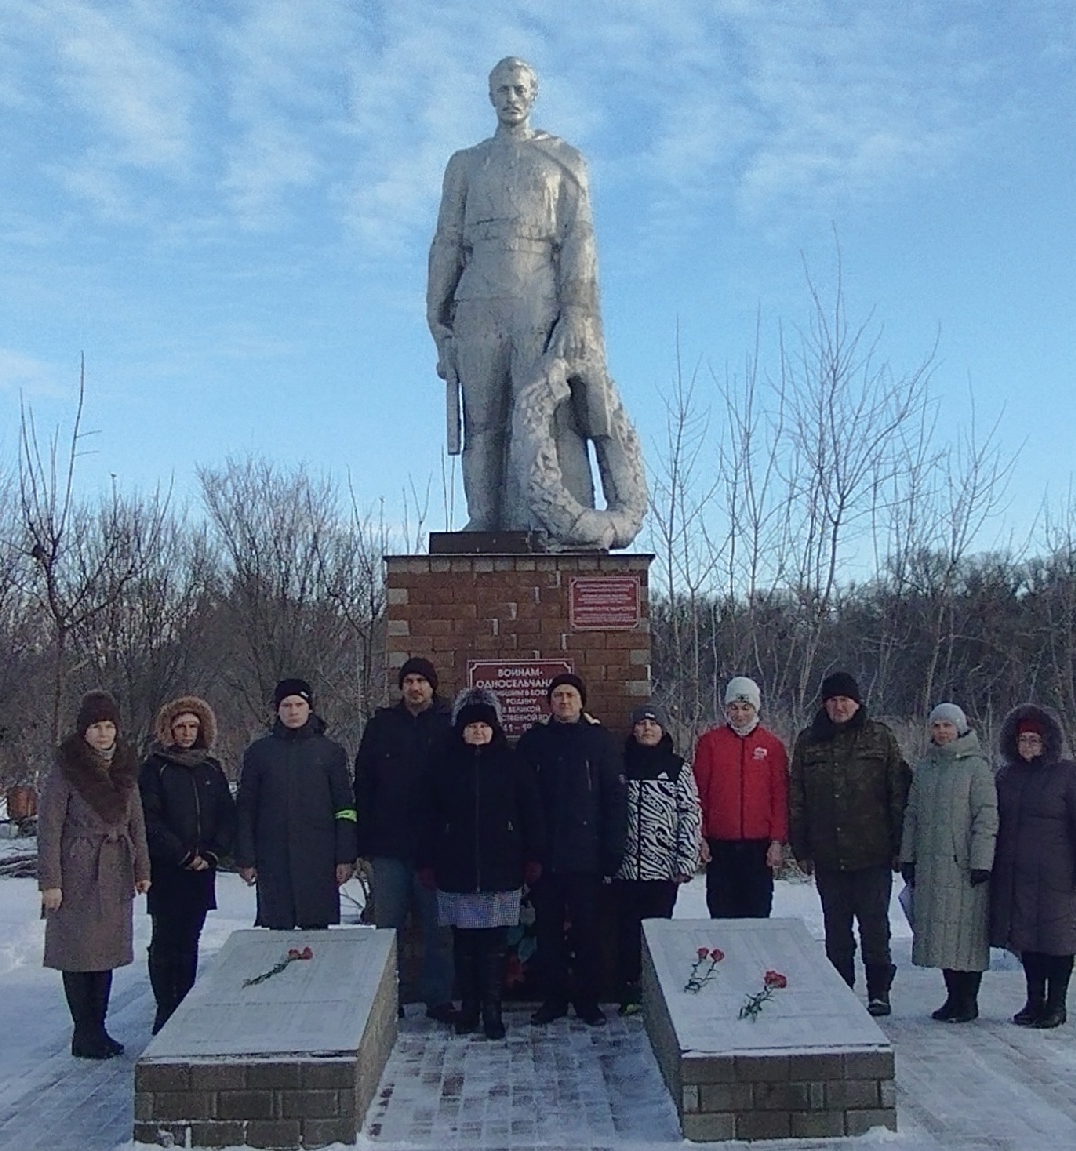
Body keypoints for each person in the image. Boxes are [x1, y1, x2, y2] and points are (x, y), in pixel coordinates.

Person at [425, 56, 645, 549]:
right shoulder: (465, 164)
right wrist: (436, 317)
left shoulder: (564, 160)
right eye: (502, 89)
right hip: (477, 303)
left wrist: (577, 311)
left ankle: (552, 524)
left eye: (519, 89)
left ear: (534, 93)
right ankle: (482, 522)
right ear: (490, 95)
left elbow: (579, 241)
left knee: (550, 420)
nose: (511, 98)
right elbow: (446, 240)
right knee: (483, 423)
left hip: (539, 305)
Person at [789, 671, 911, 1016]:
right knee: (836, 930)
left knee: (875, 928)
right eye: (832, 700)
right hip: (828, 853)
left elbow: (897, 793)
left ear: (857, 703)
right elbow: (796, 795)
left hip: (873, 851)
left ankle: (879, 991)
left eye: (845, 700)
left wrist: (900, 846)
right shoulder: (809, 741)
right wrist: (801, 848)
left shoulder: (880, 737)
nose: (838, 706)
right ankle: (840, 990)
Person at [38, 690, 151, 1059]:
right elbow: (50, 827)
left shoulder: (124, 766)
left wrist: (142, 869)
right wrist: (51, 882)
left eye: (109, 726)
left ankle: (99, 1028)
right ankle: (83, 1031)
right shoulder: (66, 769)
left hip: (115, 870)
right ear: (83, 731)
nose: (103, 734)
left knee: (105, 953)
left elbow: (137, 821)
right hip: (77, 871)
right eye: (96, 727)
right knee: (77, 953)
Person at [428, 688, 547, 1040]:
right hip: (456, 868)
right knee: (464, 946)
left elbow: (532, 814)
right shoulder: (444, 766)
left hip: (501, 867)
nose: (478, 732)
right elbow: (426, 816)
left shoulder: (512, 765)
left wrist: (533, 857)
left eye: (484, 726)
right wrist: (428, 861)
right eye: (471, 727)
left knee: (495, 946)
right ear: (460, 730)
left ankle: (493, 1011)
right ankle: (469, 1008)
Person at [514, 672, 627, 1026]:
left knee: (587, 932)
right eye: (558, 695)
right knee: (547, 934)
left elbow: (615, 799)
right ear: (549, 702)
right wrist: (527, 851)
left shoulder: (599, 741)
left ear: (581, 702)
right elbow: (520, 801)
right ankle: (553, 1000)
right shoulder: (534, 742)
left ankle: (588, 1001)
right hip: (544, 856)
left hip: (587, 856)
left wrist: (612, 849)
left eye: (570, 696)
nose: (564, 702)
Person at [354, 657, 459, 1023]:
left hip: (436, 849)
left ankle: (439, 999)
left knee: (439, 930)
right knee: (388, 929)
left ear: (433, 686)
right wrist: (363, 841)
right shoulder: (382, 726)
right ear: (401, 687)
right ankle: (388, 999)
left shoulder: (448, 726)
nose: (415, 687)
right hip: (388, 846)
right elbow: (363, 784)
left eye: (421, 681)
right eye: (409, 681)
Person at [989, 704, 1076, 1029]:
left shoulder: (1070, 776)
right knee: (1028, 944)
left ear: (1047, 742)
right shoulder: (1006, 777)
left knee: (1057, 943)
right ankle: (1033, 1001)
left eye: (1034, 740)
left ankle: (1057, 1005)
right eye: (1023, 739)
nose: (1028, 746)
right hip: (1018, 877)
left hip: (1058, 876)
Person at [897, 703, 998, 1023]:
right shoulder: (926, 767)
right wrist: (908, 857)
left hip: (964, 867)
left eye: (947, 726)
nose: (942, 731)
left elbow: (986, 817)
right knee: (940, 936)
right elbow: (912, 815)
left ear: (960, 728)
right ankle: (952, 998)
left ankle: (968, 1000)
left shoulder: (976, 767)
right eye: (937, 726)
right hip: (931, 864)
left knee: (965, 937)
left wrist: (982, 860)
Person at [138, 695, 234, 1032]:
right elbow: (149, 819)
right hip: (167, 869)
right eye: (180, 727)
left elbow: (226, 814)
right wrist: (180, 854)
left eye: (193, 726)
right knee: (166, 938)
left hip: (202, 870)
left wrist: (211, 854)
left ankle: (185, 1004)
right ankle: (165, 1007)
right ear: (169, 729)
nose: (187, 733)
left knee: (191, 938)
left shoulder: (211, 768)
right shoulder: (155, 768)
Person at [236, 679, 356, 930]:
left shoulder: (330, 752)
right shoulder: (259, 753)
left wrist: (345, 856)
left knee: (317, 935)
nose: (293, 711)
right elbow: (246, 808)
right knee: (278, 933)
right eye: (286, 705)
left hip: (319, 860)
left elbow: (345, 808)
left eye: (299, 704)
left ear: (309, 708)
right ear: (277, 710)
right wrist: (246, 857)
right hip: (273, 859)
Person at [613, 704, 703, 1010]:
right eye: (641, 724)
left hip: (662, 869)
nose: (647, 729)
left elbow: (690, 814)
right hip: (624, 868)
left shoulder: (677, 767)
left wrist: (685, 860)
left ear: (662, 729)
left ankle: (657, 990)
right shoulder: (620, 765)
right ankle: (630, 990)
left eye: (653, 724)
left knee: (658, 930)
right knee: (626, 932)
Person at [692, 676, 789, 918]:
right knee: (721, 913)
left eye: (746, 708)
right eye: (733, 708)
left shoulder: (772, 746)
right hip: (720, 845)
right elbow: (698, 793)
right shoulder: (710, 743)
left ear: (755, 708)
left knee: (757, 914)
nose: (739, 715)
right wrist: (700, 836)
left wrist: (777, 841)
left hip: (758, 847)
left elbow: (780, 796)